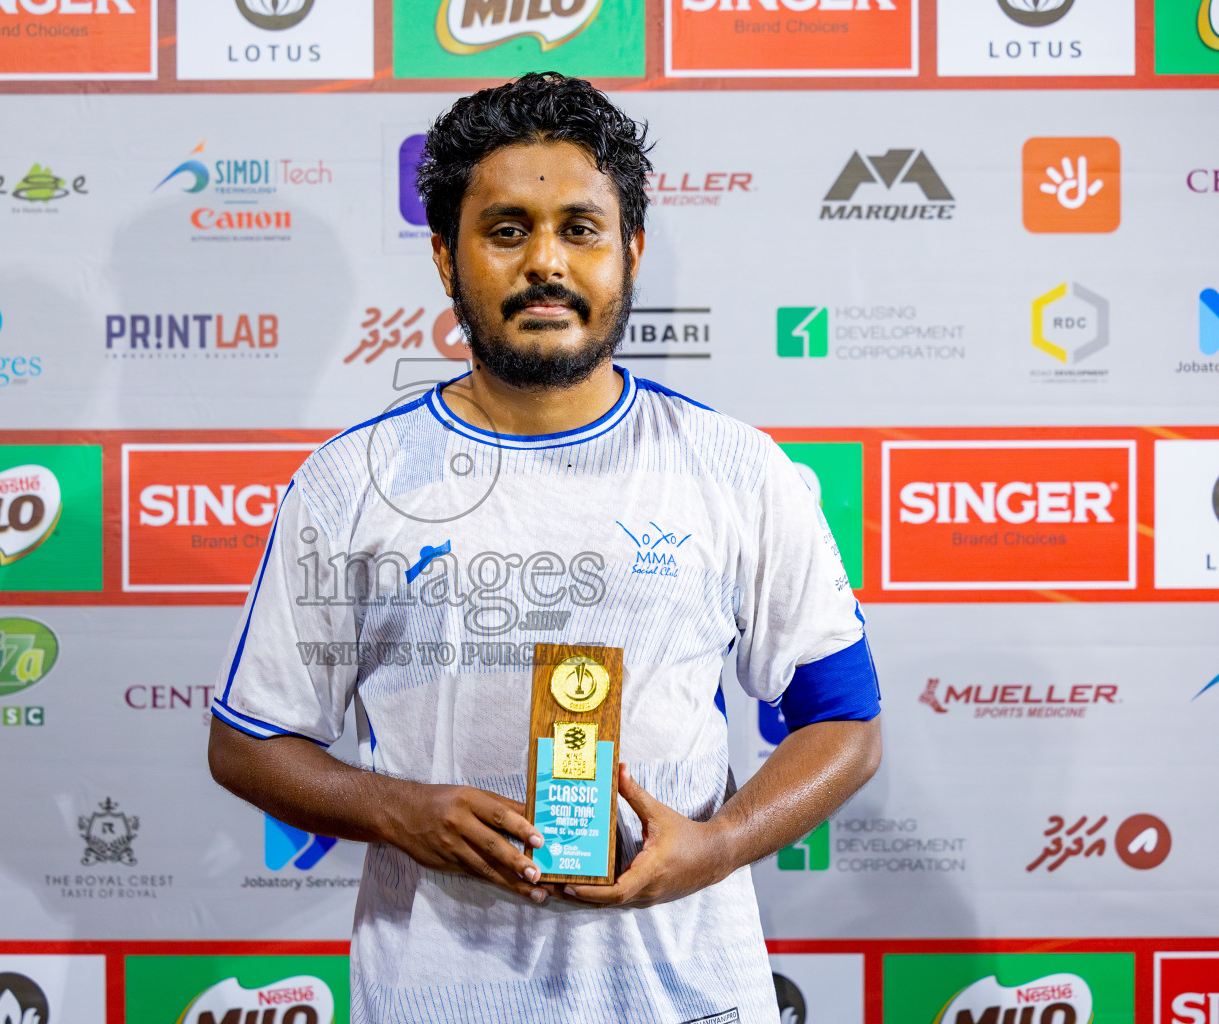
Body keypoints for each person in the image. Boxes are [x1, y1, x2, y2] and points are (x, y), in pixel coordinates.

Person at [208, 72, 882, 1024]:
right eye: (507, 229)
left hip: (685, 997)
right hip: (438, 997)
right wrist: (398, 810)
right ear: (446, 257)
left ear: (631, 249)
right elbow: (249, 742)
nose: (547, 263)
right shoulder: (350, 481)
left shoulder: (736, 468)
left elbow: (845, 723)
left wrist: (718, 844)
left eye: (581, 227)